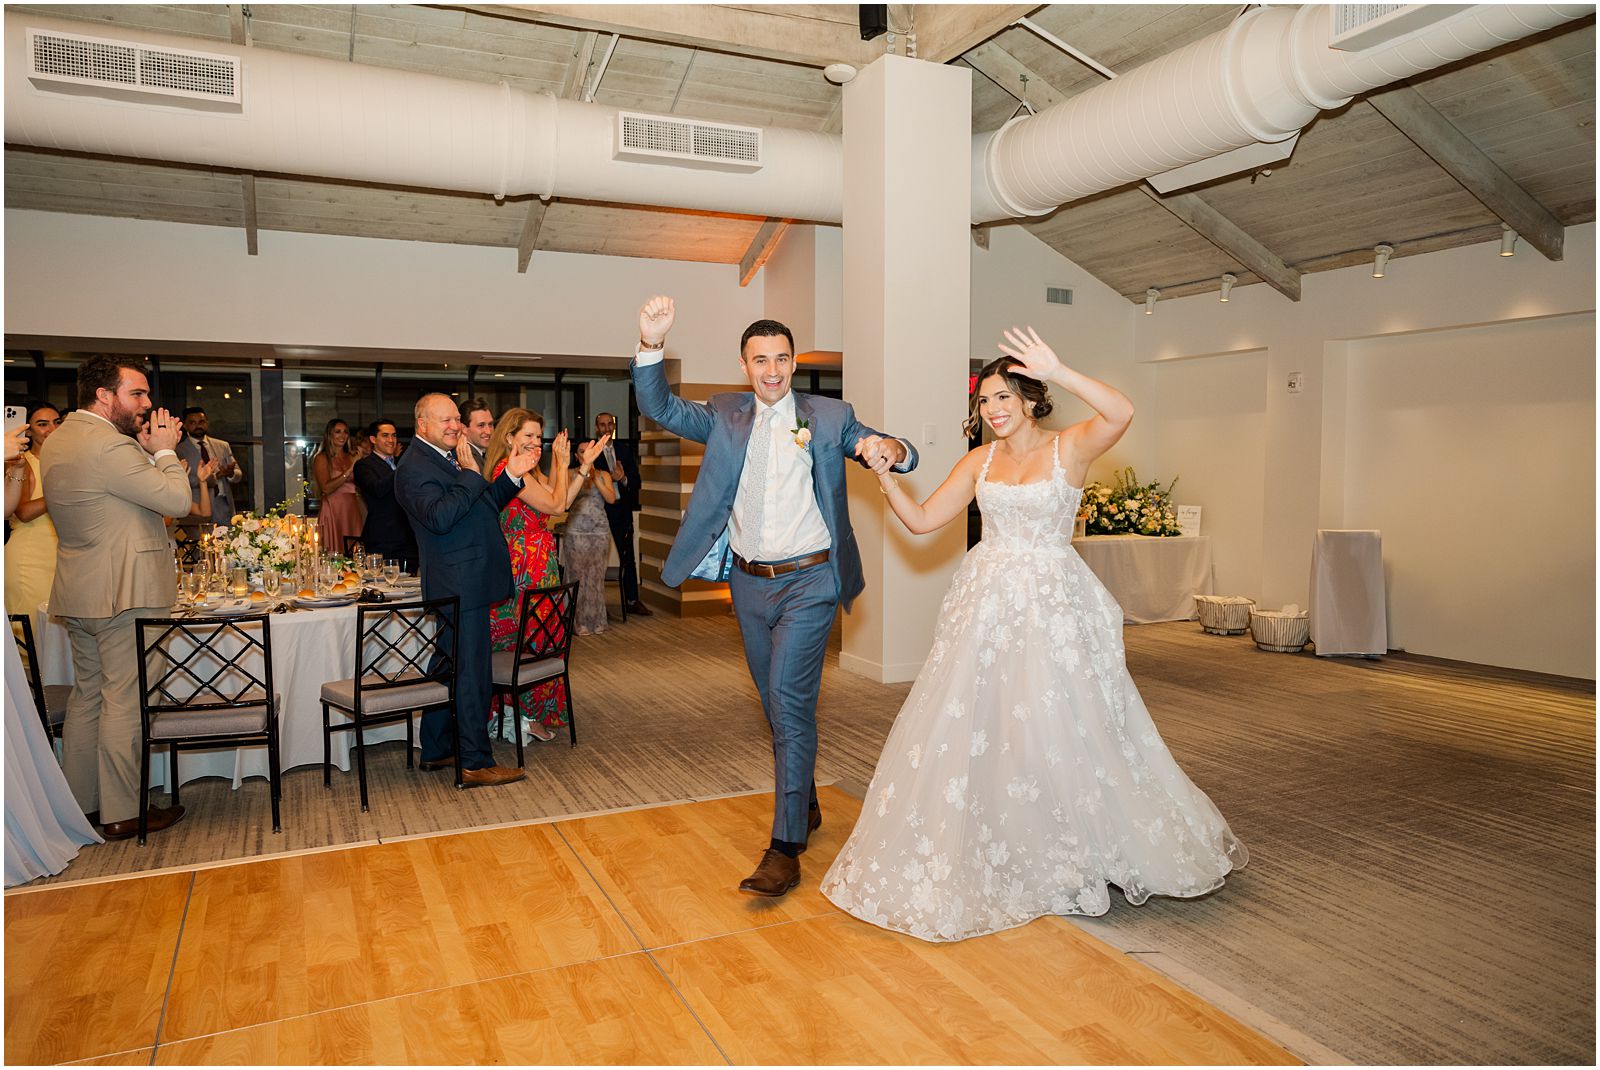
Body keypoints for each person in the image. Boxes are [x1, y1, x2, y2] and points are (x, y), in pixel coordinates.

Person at [820, 329, 1248, 942]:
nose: (992, 410)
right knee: (986, 719)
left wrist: (1062, 367)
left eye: (1001, 398)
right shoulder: (980, 461)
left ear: (1028, 399)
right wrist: (884, 477)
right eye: (984, 400)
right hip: (988, 601)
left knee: (1068, 720)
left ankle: (1082, 843)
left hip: (1053, 601)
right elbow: (920, 523)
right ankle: (1013, 840)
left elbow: (1121, 411)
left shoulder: (1069, 448)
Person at [633, 295, 918, 898]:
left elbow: (890, 446)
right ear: (744, 365)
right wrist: (651, 344)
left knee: (789, 704)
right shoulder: (724, 415)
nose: (771, 370)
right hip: (747, 583)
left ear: (793, 363)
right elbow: (657, 405)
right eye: (759, 359)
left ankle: (784, 848)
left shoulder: (829, 415)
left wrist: (892, 450)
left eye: (781, 359)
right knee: (774, 701)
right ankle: (806, 800)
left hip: (811, 581)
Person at [41, 355, 194, 841]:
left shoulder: (62, 439)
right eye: (137, 394)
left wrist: (145, 453)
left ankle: (84, 804)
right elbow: (175, 502)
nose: (146, 405)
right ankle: (124, 812)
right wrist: (165, 452)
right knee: (126, 700)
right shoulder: (108, 446)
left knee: (90, 698)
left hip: (81, 589)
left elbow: (117, 500)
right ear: (104, 395)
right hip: (126, 591)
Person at [394, 392, 537, 787]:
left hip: (470, 578)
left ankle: (438, 748)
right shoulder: (412, 468)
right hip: (459, 582)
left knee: (448, 666)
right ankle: (475, 761)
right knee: (472, 674)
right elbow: (441, 518)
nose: (455, 426)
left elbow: (482, 506)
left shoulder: (447, 458)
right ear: (421, 424)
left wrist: (511, 476)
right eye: (446, 421)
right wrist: (471, 474)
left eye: (457, 419)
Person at [485, 410, 600, 741]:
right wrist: (563, 463)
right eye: (529, 436)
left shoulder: (530, 470)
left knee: (542, 638)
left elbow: (561, 498)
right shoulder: (507, 471)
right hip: (521, 567)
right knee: (525, 640)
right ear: (509, 438)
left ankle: (531, 712)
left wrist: (584, 466)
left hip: (539, 562)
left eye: (539, 437)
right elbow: (555, 507)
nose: (536, 442)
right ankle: (519, 713)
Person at [4, 402, 63, 617]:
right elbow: (23, 512)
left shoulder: (68, 462)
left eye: (57, 422)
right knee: (33, 632)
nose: (52, 429)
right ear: (28, 430)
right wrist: (62, 493)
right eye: (42, 424)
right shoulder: (19, 462)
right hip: (30, 558)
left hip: (64, 556)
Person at [594, 411, 652, 617]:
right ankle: (598, 605)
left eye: (610, 424)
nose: (607, 428)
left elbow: (636, 482)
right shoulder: (590, 451)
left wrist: (623, 477)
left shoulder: (624, 450)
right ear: (596, 428)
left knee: (628, 558)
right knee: (596, 560)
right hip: (598, 512)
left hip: (622, 511)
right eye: (602, 425)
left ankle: (632, 600)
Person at [559, 436, 617, 636]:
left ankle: (597, 620)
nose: (586, 454)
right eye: (582, 451)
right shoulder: (568, 474)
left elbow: (611, 499)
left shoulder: (604, 475)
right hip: (575, 532)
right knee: (577, 577)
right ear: (576, 456)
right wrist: (583, 476)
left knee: (596, 577)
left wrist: (595, 477)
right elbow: (564, 500)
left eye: (589, 451)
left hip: (599, 532)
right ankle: (578, 622)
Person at [352, 419, 417, 572]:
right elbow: (377, 489)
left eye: (394, 436)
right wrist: (402, 468)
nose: (391, 440)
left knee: (412, 589)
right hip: (383, 538)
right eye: (385, 436)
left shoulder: (400, 463)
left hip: (409, 539)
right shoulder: (364, 465)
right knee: (384, 587)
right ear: (373, 439)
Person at [174, 405, 244, 527]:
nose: (198, 425)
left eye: (201, 421)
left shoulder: (222, 445)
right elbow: (183, 481)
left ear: (207, 422)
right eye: (192, 422)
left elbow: (238, 474)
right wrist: (215, 476)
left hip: (224, 505)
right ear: (185, 426)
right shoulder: (178, 450)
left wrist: (231, 473)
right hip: (197, 507)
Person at [313, 418, 365, 556]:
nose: (342, 435)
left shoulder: (352, 456)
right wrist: (349, 470)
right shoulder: (322, 458)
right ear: (330, 435)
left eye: (345, 432)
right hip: (332, 509)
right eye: (338, 432)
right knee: (333, 553)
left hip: (352, 508)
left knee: (354, 552)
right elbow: (326, 488)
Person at [460, 398, 495, 470]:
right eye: (481, 425)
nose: (488, 431)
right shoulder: (466, 458)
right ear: (464, 428)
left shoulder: (481, 454)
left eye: (490, 424)